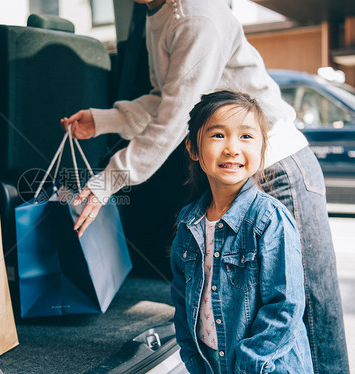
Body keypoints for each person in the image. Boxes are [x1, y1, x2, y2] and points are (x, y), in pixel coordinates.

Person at [61, 0, 349, 372]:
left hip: (276, 167)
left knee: (312, 318)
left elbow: (176, 119)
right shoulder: (157, 16)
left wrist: (107, 182)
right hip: (238, 175)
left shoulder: (197, 16)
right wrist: (105, 120)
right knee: (244, 313)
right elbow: (167, 100)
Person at [171, 90, 313, 374]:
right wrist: (191, 355)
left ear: (262, 149)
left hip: (267, 366)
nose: (232, 148)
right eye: (218, 135)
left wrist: (250, 365)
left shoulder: (270, 219)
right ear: (193, 149)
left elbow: (284, 307)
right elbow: (180, 296)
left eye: (246, 136)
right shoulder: (189, 222)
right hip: (211, 363)